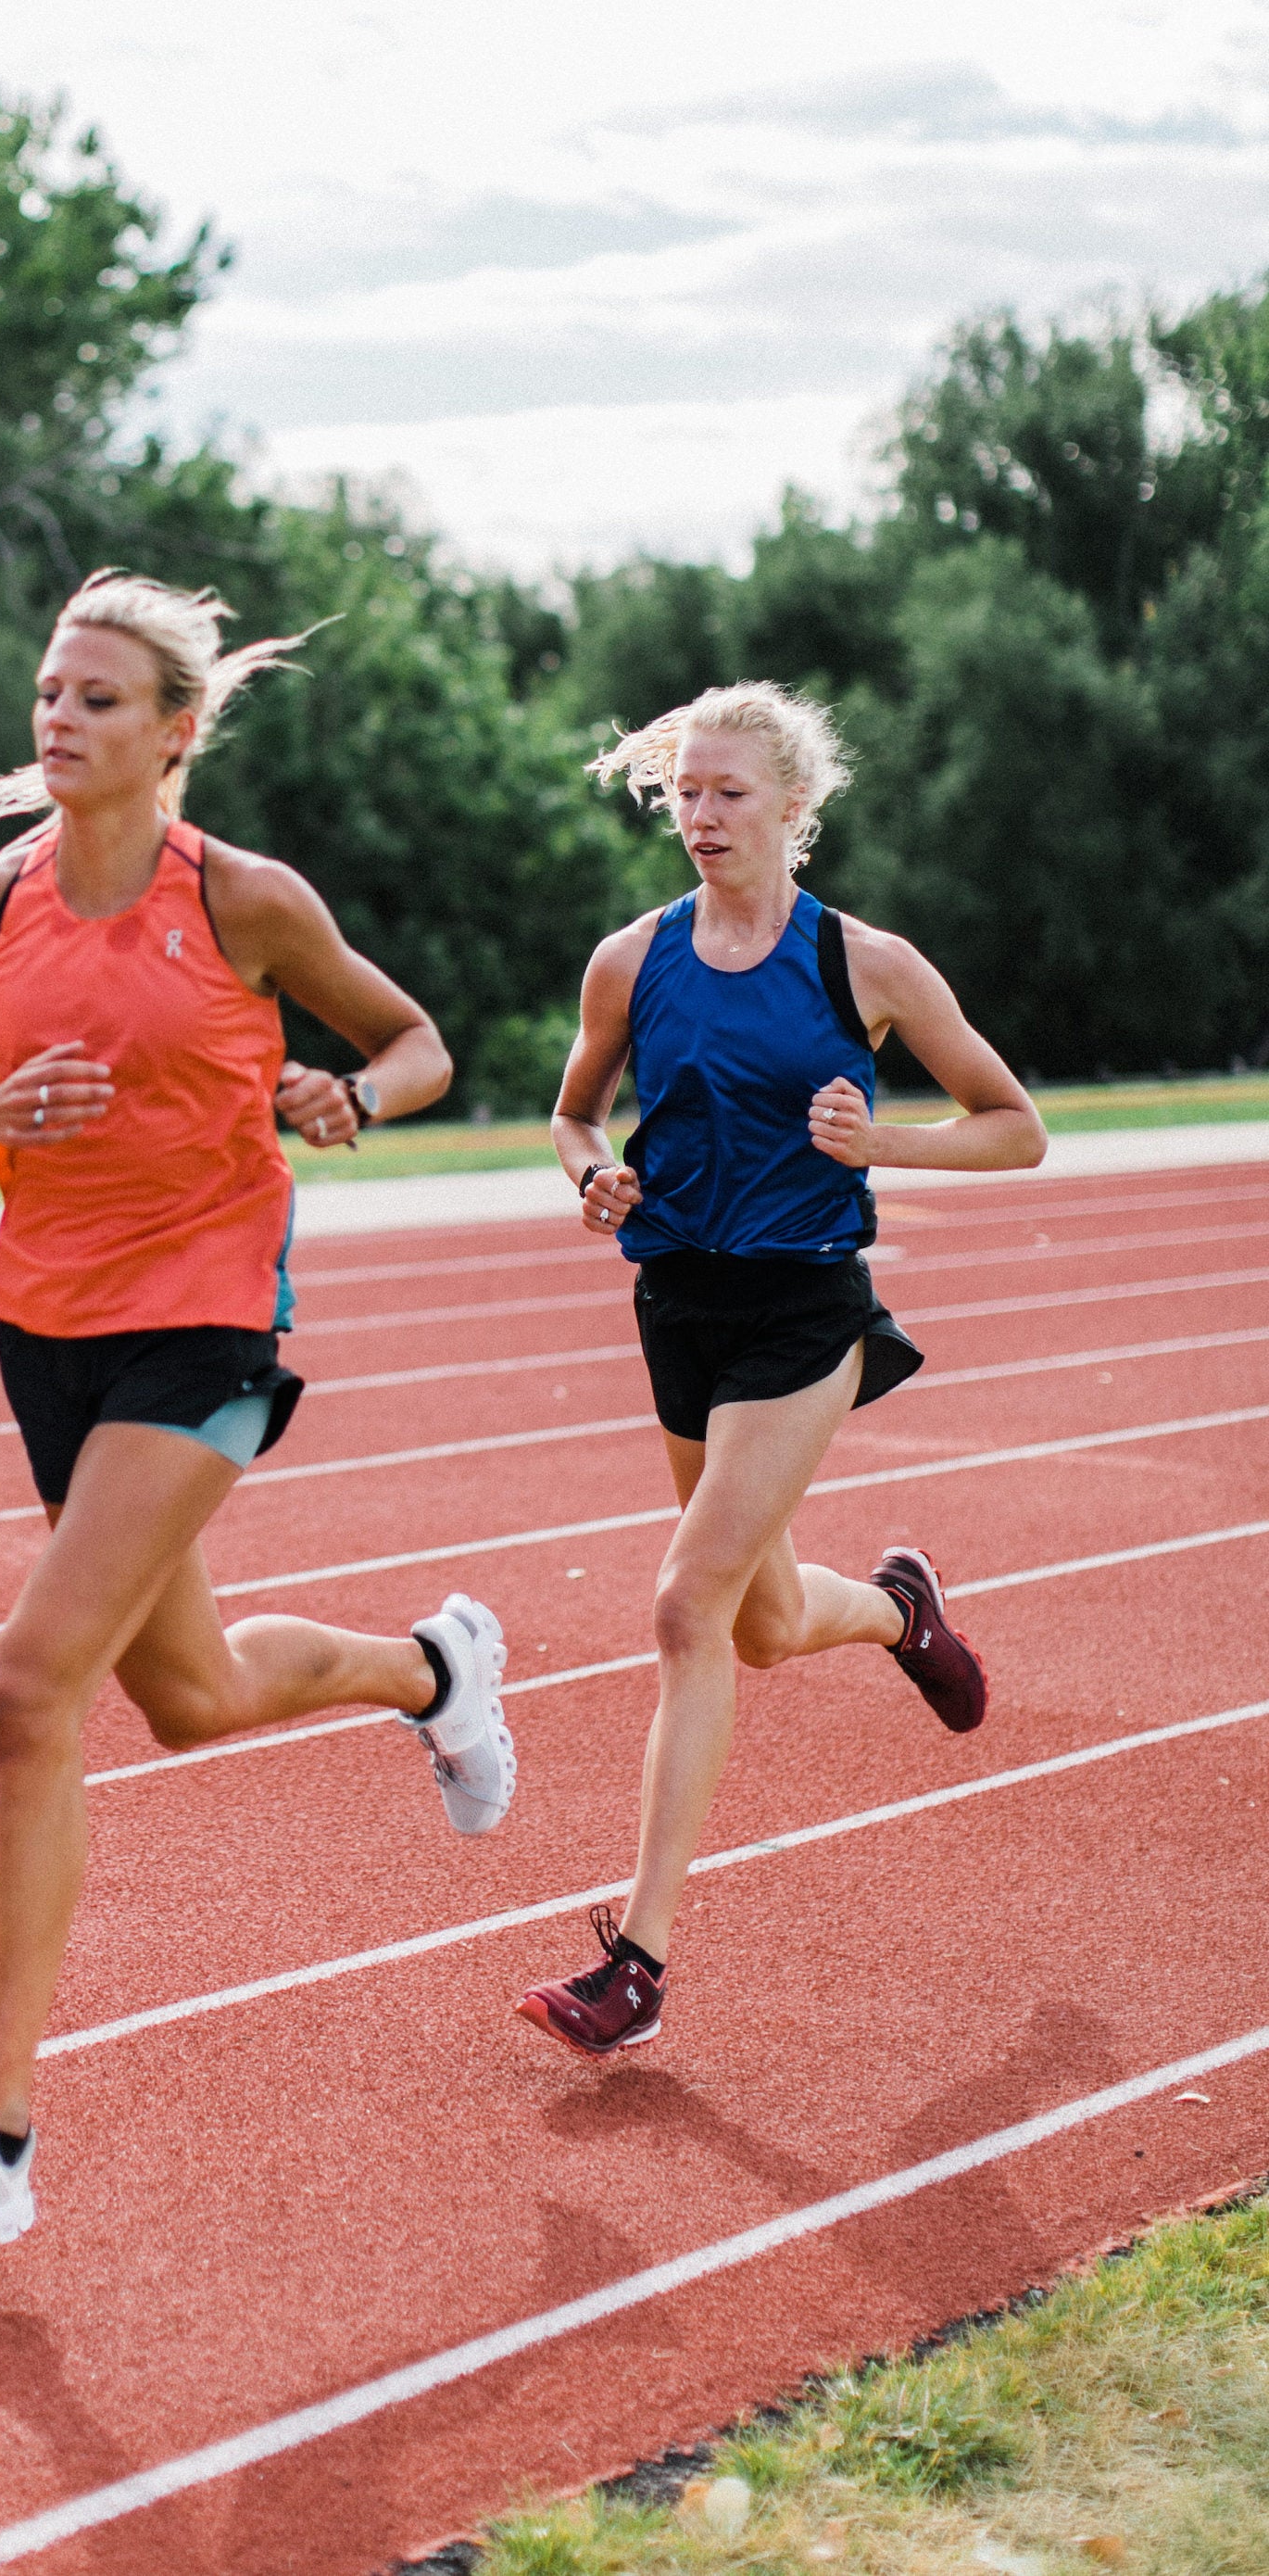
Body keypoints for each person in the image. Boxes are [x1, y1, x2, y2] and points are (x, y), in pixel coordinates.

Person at [0, 571, 516, 2267]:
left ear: (177, 730)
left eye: (101, 699)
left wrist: (354, 1093)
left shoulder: (246, 900)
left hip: (205, 1317)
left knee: (24, 1691)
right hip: (47, 1330)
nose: (61, 718)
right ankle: (435, 1672)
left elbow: (418, 1040)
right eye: (51, 692)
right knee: (190, 1700)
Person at [515, 680, 1046, 2060]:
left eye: (728, 793)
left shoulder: (866, 965)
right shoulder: (630, 960)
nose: (698, 815)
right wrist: (592, 1176)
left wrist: (883, 1144)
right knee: (759, 1621)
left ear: (794, 806)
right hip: (678, 1303)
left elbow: (1015, 1127)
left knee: (686, 1605)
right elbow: (573, 1114)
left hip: (805, 1310)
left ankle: (637, 1964)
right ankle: (900, 1614)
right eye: (684, 792)